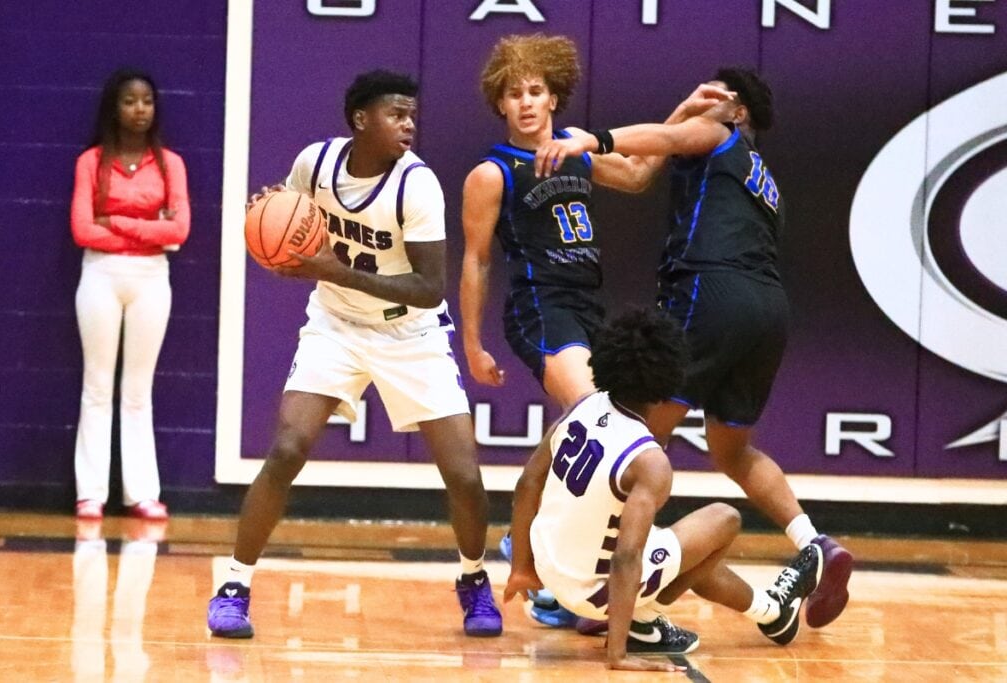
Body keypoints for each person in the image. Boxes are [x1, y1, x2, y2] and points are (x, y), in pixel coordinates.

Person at [534, 67, 853, 630]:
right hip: (768, 309)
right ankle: (815, 544)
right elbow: (642, 170)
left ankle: (605, 588)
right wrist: (678, 109)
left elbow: (667, 140)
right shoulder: (764, 180)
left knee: (632, 434)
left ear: (739, 112)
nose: (703, 101)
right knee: (732, 450)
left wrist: (594, 138)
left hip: (711, 291)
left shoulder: (718, 133)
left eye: (715, 95)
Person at [206, 70, 501, 639]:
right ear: (361, 119)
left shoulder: (418, 186)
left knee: (463, 474)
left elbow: (428, 288)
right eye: (396, 114)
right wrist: (269, 230)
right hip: (336, 324)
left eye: (413, 115)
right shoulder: (313, 165)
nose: (409, 125)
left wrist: (332, 269)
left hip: (410, 334)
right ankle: (236, 585)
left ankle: (472, 578)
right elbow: (288, 225)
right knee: (288, 447)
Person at [461, 33, 731, 634]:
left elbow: (636, 175)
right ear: (500, 105)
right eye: (514, 94)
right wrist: (473, 344)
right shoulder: (491, 173)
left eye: (535, 91)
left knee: (599, 432)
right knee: (594, 420)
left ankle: (562, 572)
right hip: (540, 308)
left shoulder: (576, 153)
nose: (526, 103)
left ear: (554, 97)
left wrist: (682, 113)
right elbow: (477, 261)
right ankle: (532, 554)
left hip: (588, 305)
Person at [504, 307, 823, 672]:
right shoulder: (648, 460)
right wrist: (617, 655)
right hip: (591, 593)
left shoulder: (583, 406)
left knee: (685, 549)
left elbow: (528, 482)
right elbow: (626, 558)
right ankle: (643, 623)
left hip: (548, 565)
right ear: (668, 379)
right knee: (723, 519)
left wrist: (521, 567)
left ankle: (772, 612)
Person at [70, 68, 190, 522]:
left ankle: (142, 493)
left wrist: (116, 223)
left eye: (147, 101)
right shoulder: (91, 161)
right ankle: (91, 494)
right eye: (129, 101)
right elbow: (82, 228)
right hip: (100, 274)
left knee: (138, 390)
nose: (139, 109)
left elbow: (179, 229)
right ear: (114, 107)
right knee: (97, 385)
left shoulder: (170, 164)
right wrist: (148, 230)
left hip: (151, 277)